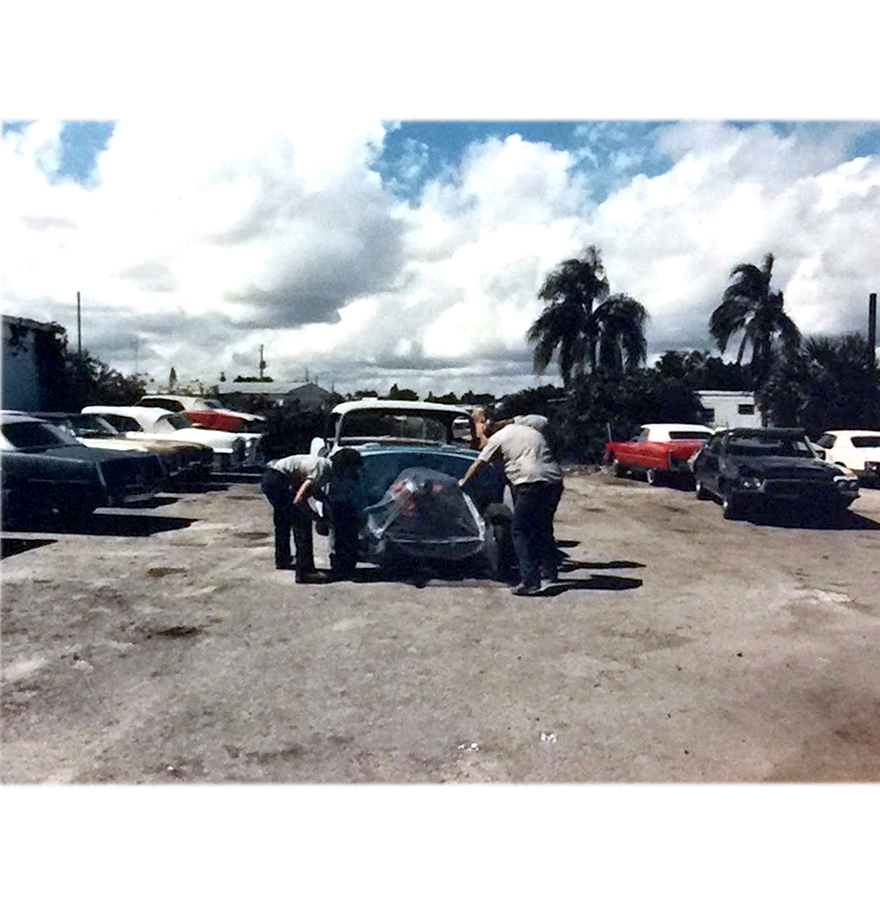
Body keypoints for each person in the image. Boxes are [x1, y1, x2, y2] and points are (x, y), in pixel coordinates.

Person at [458, 420, 563, 596]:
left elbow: (479, 462)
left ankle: (530, 581)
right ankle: (550, 570)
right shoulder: (530, 432)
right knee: (543, 526)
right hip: (554, 481)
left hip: (530, 482)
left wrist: (463, 481)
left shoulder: (497, 438)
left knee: (520, 531)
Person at [261, 452, 330, 581]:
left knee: (283, 520)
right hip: (278, 480)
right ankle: (305, 572)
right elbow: (299, 499)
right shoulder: (323, 469)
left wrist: (327, 501)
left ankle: (282, 559)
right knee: (302, 524)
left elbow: (312, 489)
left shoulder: (323, 464)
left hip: (271, 477)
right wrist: (315, 516)